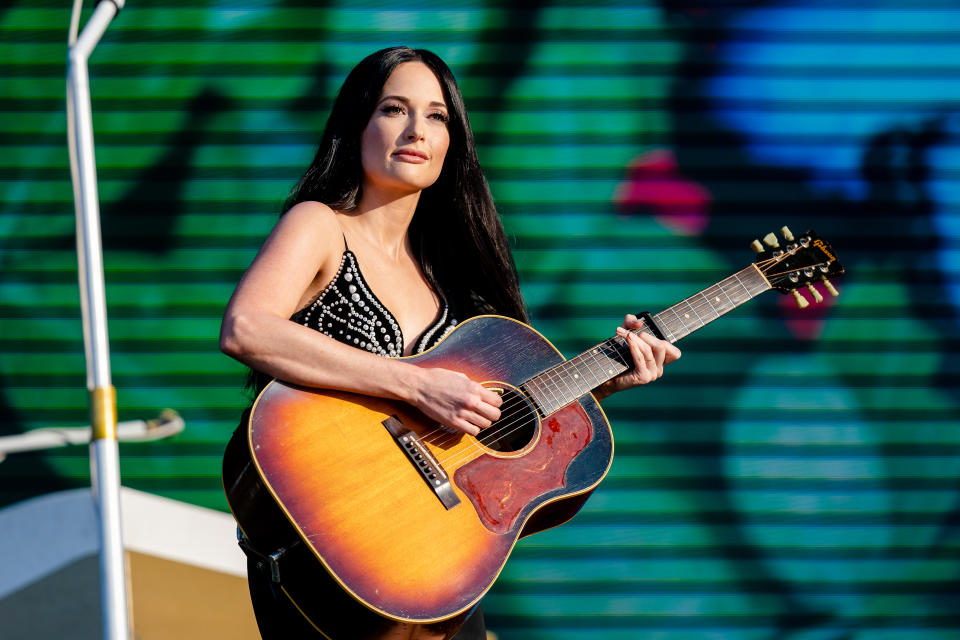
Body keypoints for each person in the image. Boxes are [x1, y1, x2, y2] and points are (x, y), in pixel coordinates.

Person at [220, 46, 681, 640]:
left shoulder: (456, 277)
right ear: (356, 123)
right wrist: (416, 383)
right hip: (326, 539)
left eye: (437, 116)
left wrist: (603, 385)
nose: (417, 131)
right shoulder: (320, 225)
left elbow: (494, 430)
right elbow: (247, 328)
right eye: (394, 109)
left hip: (431, 561)